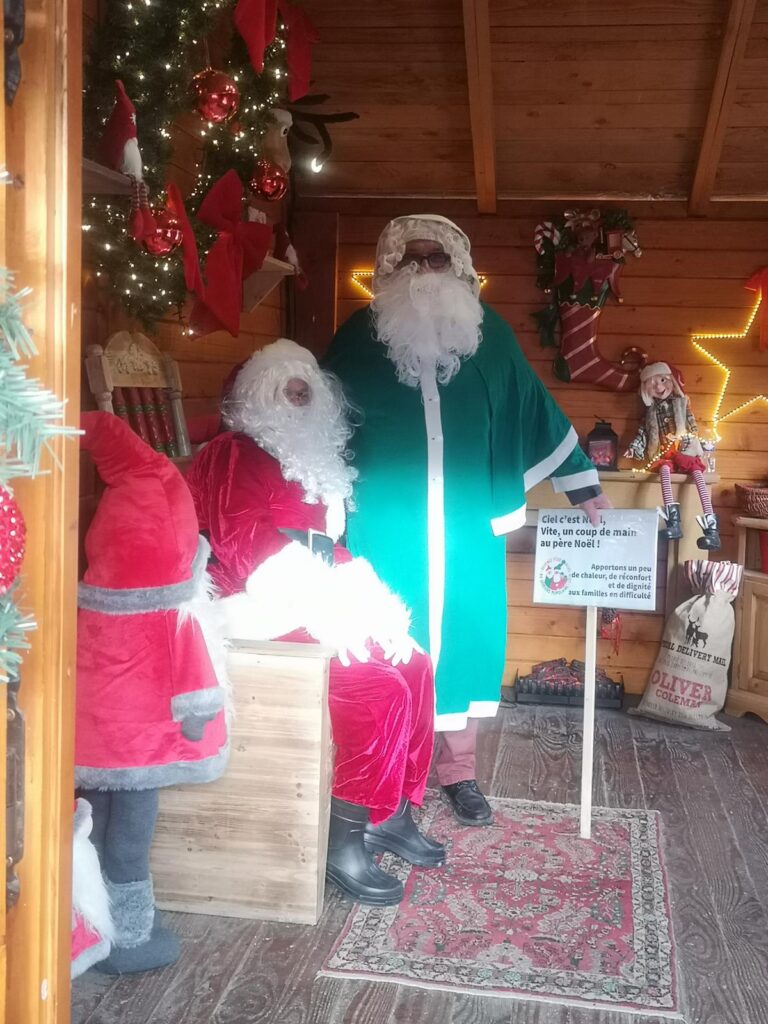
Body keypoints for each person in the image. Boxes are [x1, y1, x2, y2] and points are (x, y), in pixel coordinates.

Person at [324, 214, 612, 827]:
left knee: (465, 643)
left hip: (466, 530)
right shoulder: (354, 342)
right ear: (389, 270)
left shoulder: (492, 340)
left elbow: (537, 411)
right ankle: (389, 775)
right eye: (411, 260)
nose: (423, 273)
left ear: (457, 269)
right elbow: (321, 425)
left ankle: (458, 774)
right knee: (387, 649)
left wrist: (585, 486)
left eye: (436, 261)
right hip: (384, 527)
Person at [186, 338, 445, 907]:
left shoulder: (313, 463)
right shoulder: (233, 454)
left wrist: (375, 609)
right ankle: (344, 840)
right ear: (256, 397)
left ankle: (389, 812)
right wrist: (332, 613)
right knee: (372, 685)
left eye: (306, 392)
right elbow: (249, 551)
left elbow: (335, 551)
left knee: (415, 661)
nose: (297, 401)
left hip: (313, 596)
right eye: (285, 390)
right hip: (254, 606)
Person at [76, 412, 229, 973]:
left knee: (88, 831)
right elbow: (196, 690)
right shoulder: (170, 616)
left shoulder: (86, 604)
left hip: (88, 750)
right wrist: (200, 719)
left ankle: (87, 927)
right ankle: (131, 938)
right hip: (141, 754)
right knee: (128, 844)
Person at [624, 361, 720, 549]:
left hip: (684, 450)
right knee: (664, 472)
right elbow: (643, 433)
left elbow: (692, 426)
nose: (659, 387)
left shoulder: (682, 404)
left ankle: (712, 531)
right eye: (652, 384)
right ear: (645, 389)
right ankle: (673, 524)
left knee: (698, 476)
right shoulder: (650, 413)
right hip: (665, 453)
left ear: (671, 381)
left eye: (662, 380)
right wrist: (634, 447)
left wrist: (693, 440)